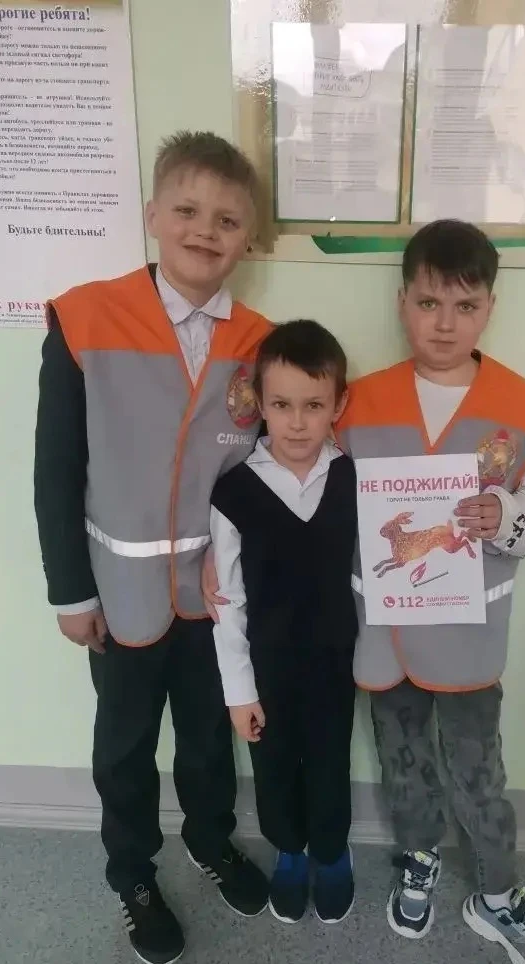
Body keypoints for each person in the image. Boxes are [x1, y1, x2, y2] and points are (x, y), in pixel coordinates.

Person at [34, 130, 272, 964]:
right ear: (152, 215)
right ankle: (132, 874)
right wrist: (71, 592)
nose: (206, 230)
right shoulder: (85, 318)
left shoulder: (261, 342)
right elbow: (57, 467)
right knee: (126, 746)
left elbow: (271, 469)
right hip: (119, 590)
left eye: (228, 220)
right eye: (187, 210)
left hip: (213, 596)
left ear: (249, 239)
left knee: (208, 738)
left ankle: (210, 841)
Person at [335, 220, 525, 964]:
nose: (445, 323)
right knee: (403, 758)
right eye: (428, 303)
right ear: (402, 302)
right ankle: (418, 858)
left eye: (465, 306)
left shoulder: (521, 405)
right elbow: (311, 487)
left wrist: (504, 514)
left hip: (470, 635)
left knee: (478, 768)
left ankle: (498, 893)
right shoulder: (358, 403)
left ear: (489, 309)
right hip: (386, 634)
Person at [210, 320, 358, 926]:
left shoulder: (353, 478)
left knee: (329, 762)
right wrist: (238, 691)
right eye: (281, 405)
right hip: (266, 666)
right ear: (259, 403)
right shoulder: (234, 493)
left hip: (335, 662)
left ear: (338, 405)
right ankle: (290, 852)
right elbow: (227, 599)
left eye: (314, 405)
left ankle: (331, 852)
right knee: (273, 768)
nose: (297, 422)